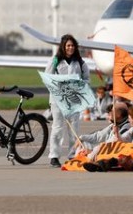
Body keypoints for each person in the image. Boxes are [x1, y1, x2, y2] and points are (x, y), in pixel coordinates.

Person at [45, 34, 90, 168]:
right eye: (68, 45)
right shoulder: (55, 60)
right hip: (58, 100)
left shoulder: (80, 63)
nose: (70, 48)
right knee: (57, 128)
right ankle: (54, 156)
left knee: (74, 129)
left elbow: (87, 79)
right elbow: (48, 78)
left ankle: (72, 155)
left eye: (72, 45)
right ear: (63, 47)